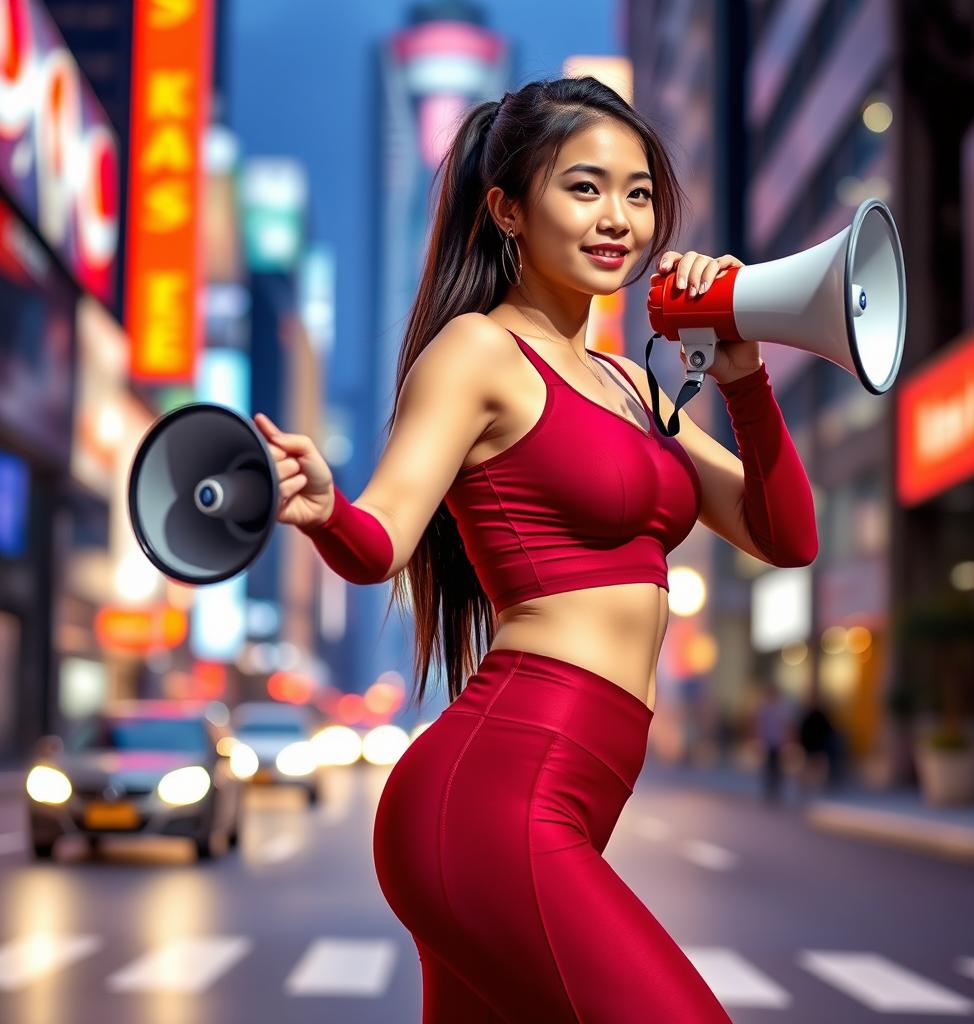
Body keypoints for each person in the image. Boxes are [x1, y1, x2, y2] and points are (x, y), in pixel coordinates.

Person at [253, 77, 817, 1024]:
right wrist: (325, 508)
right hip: (495, 798)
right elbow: (383, 539)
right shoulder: (477, 352)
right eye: (585, 188)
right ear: (509, 208)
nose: (619, 220)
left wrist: (746, 377)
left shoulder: (636, 385)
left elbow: (786, 536)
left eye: (638, 194)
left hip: (565, 797)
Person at [755, 680, 791, 803]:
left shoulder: (781, 707)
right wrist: (759, 739)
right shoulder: (764, 707)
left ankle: (777, 791)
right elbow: (759, 725)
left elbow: (785, 725)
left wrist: (786, 741)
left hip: (778, 742)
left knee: (778, 768)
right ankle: (769, 791)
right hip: (768, 742)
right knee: (768, 767)